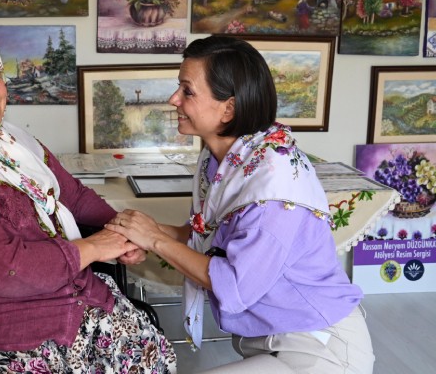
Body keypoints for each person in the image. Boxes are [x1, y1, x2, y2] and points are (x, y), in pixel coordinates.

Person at [0, 36, 176, 373]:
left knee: (147, 355)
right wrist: (96, 247)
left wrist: (124, 233)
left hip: (64, 295)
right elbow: (2, 272)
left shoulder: (12, 142)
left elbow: (74, 196)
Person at [106, 36, 374, 373]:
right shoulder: (222, 160)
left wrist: (155, 239)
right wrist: (146, 233)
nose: (174, 99)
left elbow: (233, 285)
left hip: (318, 344)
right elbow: (206, 235)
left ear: (228, 109)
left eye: (187, 91)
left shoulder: (274, 187)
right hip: (272, 338)